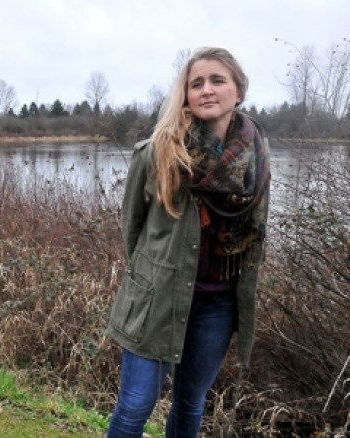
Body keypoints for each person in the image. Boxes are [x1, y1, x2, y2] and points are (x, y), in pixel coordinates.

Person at [105, 47, 271, 437]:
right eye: (197, 83)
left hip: (219, 303)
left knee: (189, 405)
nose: (207, 90)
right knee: (134, 406)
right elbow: (133, 228)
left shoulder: (256, 158)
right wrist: (155, 277)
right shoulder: (158, 153)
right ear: (186, 94)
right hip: (156, 299)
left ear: (238, 91)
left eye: (218, 80)